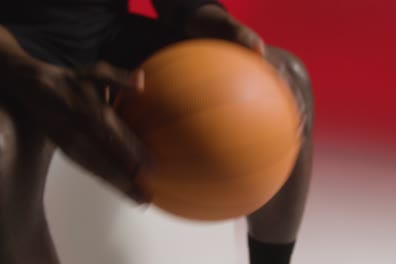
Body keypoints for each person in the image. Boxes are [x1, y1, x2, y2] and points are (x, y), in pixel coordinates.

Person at [0, 0, 313, 263]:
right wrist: (30, 76)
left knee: (287, 80)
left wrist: (206, 17)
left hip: (104, 37)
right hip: (9, 55)